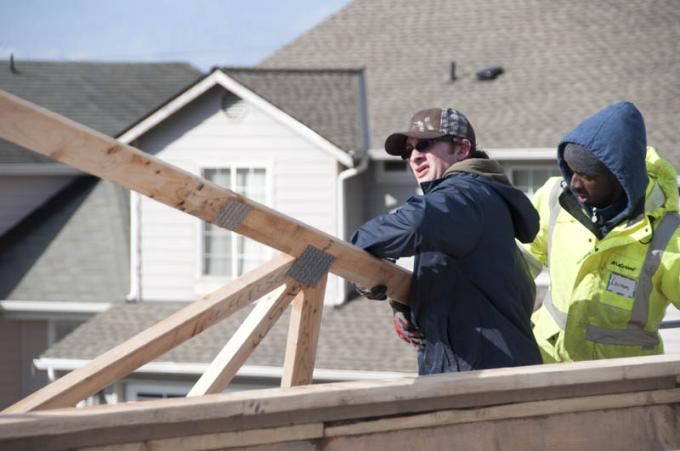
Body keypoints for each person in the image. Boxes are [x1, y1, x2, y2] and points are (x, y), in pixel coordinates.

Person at [351, 107, 543, 374]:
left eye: (425, 145)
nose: (414, 156)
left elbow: (413, 226)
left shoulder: (465, 196)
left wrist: (355, 247)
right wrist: (408, 303)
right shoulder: (471, 205)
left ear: (462, 149)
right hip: (483, 371)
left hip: (484, 382)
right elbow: (465, 283)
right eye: (408, 151)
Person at [526, 101, 680, 363]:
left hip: (623, 385)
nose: (574, 183)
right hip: (546, 365)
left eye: (587, 175)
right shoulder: (554, 199)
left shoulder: (667, 234)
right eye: (571, 171)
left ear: (622, 178)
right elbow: (517, 265)